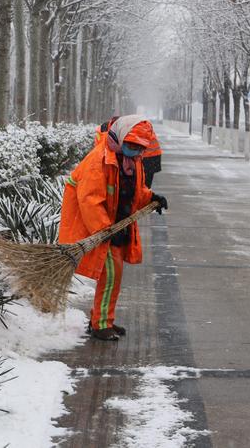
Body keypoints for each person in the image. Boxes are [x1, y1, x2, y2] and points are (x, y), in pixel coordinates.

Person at [59, 115, 169, 341]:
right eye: (130, 145)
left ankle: (103, 320)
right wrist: (105, 230)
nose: (135, 151)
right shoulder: (99, 159)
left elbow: (134, 191)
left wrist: (151, 198)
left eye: (139, 148)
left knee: (114, 276)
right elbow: (89, 200)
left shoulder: (132, 161)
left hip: (117, 225)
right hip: (102, 229)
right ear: (120, 136)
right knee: (110, 274)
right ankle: (100, 325)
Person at [95, 116, 163, 187]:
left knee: (140, 183)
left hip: (148, 158)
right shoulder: (128, 129)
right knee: (141, 183)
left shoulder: (125, 134)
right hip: (151, 157)